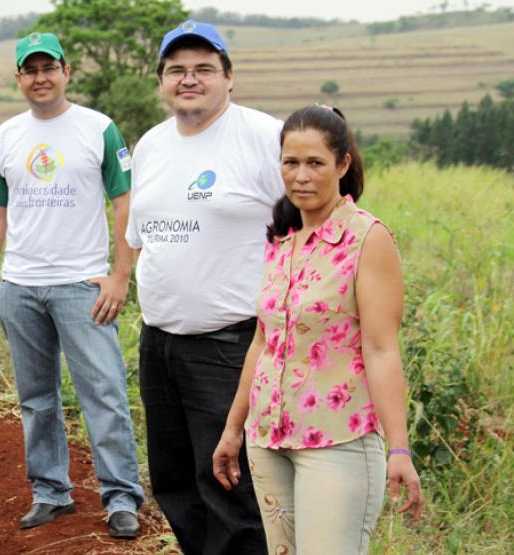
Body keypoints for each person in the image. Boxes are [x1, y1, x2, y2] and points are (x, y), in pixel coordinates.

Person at [211, 105, 424, 554]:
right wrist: (234, 428)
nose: (301, 176)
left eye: (315, 163)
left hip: (336, 440)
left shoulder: (367, 238)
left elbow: (383, 350)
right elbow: (262, 343)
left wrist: (399, 449)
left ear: (342, 165)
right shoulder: (281, 240)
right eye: (291, 162)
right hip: (266, 438)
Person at [0, 31, 144, 539]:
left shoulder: (99, 129)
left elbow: (125, 203)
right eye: (31, 70)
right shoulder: (6, 135)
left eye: (49, 68)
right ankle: (51, 493)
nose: (40, 77)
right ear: (18, 78)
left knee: (104, 392)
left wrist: (119, 275)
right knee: (35, 397)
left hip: (80, 285)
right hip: (21, 287)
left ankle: (120, 498)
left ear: (67, 71)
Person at [126, 19, 282, 555]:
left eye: (203, 69)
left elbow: (321, 211)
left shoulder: (265, 137)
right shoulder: (150, 144)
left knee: (230, 482)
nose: (188, 79)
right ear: (162, 81)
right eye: (176, 70)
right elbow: (139, 237)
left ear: (229, 77)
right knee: (174, 481)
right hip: (160, 341)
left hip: (230, 344)